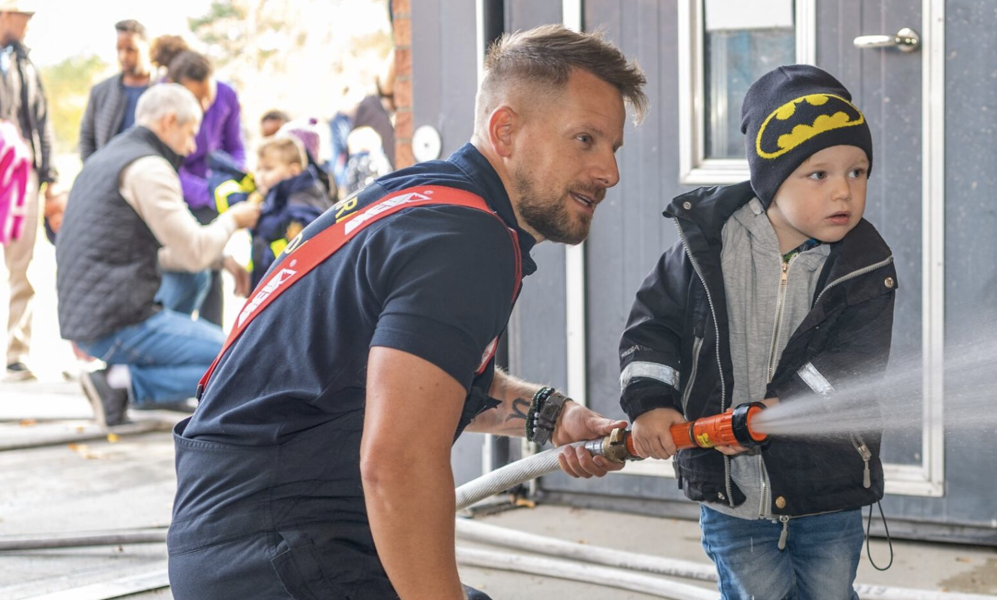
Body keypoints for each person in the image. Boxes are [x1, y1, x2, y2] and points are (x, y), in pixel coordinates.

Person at [167, 25, 646, 600]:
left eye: (613, 149)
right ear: (506, 130)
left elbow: (405, 381)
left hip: (240, 540)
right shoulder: (468, 239)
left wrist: (550, 415)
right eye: (585, 140)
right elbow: (398, 462)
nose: (609, 173)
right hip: (286, 548)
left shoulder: (423, 204)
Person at [619, 64, 895, 600]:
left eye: (857, 172)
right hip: (731, 492)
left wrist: (780, 407)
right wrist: (650, 402)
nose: (844, 192)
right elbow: (650, 331)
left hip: (828, 485)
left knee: (829, 591)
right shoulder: (703, 253)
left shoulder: (864, 265)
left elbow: (855, 360)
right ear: (771, 177)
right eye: (819, 174)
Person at [55, 84, 258, 426]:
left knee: (197, 274)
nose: (192, 146)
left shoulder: (107, 157)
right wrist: (233, 220)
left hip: (90, 312)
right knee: (239, 356)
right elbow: (193, 251)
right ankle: (121, 383)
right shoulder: (148, 167)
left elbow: (159, 252)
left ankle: (136, 370)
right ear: (169, 122)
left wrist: (220, 259)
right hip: (113, 322)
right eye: (191, 133)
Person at [161, 48, 244, 323]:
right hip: (175, 196)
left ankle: (213, 344)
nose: (203, 107)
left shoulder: (227, 95)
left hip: (213, 197)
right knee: (182, 270)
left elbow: (235, 148)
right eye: (195, 100)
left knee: (212, 272)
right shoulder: (161, 99)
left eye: (207, 97)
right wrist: (204, 191)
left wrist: (230, 181)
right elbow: (166, 166)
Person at [0, 0, 58, 382]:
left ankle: (16, 352)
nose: (28, 26)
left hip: (24, 180)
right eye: (24, 18)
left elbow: (41, 120)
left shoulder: (26, 64)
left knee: (23, 267)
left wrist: (48, 174)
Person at [245, 136, 333, 288]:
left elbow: (296, 240)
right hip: (273, 282)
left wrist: (259, 226)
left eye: (268, 168)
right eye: (258, 169)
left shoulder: (304, 198)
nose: (260, 175)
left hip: (293, 285)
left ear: (294, 171)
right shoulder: (275, 196)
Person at [79, 19, 152, 160]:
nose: (123, 56)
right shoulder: (101, 92)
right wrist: (93, 172)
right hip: (109, 176)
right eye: (119, 49)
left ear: (146, 47)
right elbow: (87, 137)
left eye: (131, 49)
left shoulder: (162, 90)